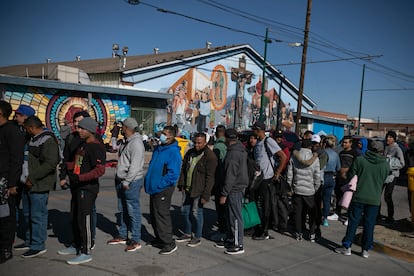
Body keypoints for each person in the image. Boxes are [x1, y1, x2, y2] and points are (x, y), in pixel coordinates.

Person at [59, 117, 106, 265]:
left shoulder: (96, 147)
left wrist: (81, 178)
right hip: (77, 187)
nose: (78, 130)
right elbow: (78, 162)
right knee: (74, 217)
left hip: (88, 188)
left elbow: (99, 170)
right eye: (78, 128)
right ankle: (76, 245)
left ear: (90, 131)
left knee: (84, 219)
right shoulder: (83, 144)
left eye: (81, 128)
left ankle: (86, 251)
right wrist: (68, 167)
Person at [335, 140, 389, 258]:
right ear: (381, 151)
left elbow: (350, 176)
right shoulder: (385, 164)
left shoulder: (360, 160)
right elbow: (385, 179)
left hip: (359, 196)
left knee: (353, 222)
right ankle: (365, 249)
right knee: (369, 225)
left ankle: (347, 246)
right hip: (374, 198)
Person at [21, 116, 60, 258]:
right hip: (26, 182)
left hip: (38, 184)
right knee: (27, 214)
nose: (25, 131)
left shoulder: (47, 140)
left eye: (26, 128)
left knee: (37, 215)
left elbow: (50, 163)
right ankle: (29, 240)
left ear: (32, 127)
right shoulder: (31, 138)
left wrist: (32, 178)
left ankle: (38, 245)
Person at [107, 118, 145, 252]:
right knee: (122, 208)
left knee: (132, 211)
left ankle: (135, 239)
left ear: (127, 128)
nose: (121, 128)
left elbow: (135, 166)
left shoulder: (136, 144)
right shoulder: (126, 141)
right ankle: (123, 235)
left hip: (131, 182)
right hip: (122, 180)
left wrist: (127, 181)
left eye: (122, 126)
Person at [144, 125, 182, 255]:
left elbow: (173, 175)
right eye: (162, 133)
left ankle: (169, 242)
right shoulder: (159, 148)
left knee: (162, 215)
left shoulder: (173, 152)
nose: (162, 135)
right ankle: (159, 238)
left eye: (165, 133)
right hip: (154, 188)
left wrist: (159, 184)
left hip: (163, 189)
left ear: (171, 136)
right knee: (154, 214)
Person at [176, 132, 217, 247]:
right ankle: (187, 233)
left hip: (200, 190)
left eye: (199, 143)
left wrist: (206, 195)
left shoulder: (210, 157)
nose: (197, 145)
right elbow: (184, 169)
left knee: (196, 212)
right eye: (195, 142)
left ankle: (197, 236)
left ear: (205, 143)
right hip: (188, 188)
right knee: (184, 211)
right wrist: (181, 184)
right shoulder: (190, 153)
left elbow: (210, 178)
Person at [250, 121, 287, 240]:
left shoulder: (268, 141)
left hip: (267, 179)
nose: (252, 132)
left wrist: (277, 173)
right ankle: (259, 227)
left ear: (258, 130)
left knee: (266, 205)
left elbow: (283, 156)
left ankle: (264, 231)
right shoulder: (258, 143)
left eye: (253, 129)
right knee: (258, 204)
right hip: (258, 179)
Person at [216, 128, 249, 254]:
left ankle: (237, 244)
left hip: (234, 188)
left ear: (227, 138)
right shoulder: (239, 150)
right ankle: (231, 240)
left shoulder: (233, 154)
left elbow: (230, 175)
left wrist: (224, 193)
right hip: (238, 186)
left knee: (235, 217)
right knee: (231, 216)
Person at [0, 100, 25, 264]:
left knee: (6, 217)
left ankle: (6, 249)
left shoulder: (12, 131)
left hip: (5, 182)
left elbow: (17, 160)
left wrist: (12, 184)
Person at [287, 139, 321, 242]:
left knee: (297, 212)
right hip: (310, 191)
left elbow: (289, 174)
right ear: (310, 146)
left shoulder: (294, 156)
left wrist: (290, 187)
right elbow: (317, 176)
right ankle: (312, 234)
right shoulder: (315, 159)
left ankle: (298, 233)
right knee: (312, 213)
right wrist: (315, 188)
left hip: (297, 189)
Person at [328, 136, 359, 223]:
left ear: (350, 143)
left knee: (349, 198)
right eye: (343, 142)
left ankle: (349, 217)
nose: (344, 144)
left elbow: (356, 166)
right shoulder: (341, 153)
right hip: (339, 178)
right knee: (338, 195)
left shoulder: (355, 153)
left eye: (346, 142)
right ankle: (337, 213)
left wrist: (347, 170)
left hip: (349, 179)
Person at [381, 131, 405, 224]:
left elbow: (402, 163)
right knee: (377, 194)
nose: (388, 138)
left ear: (394, 139)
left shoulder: (397, 149)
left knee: (387, 196)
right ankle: (377, 214)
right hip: (383, 175)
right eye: (387, 136)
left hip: (392, 176)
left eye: (390, 137)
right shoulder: (385, 146)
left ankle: (390, 217)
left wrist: (391, 166)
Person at [321, 135, 341, 227]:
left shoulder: (322, 152)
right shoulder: (336, 154)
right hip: (331, 177)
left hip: (323, 175)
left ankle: (317, 216)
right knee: (327, 199)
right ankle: (325, 218)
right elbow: (338, 168)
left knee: (318, 198)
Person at [212, 125, 227, 240]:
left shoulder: (218, 146)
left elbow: (215, 165)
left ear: (217, 133)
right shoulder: (228, 145)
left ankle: (222, 230)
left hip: (220, 180)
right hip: (228, 181)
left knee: (220, 208)